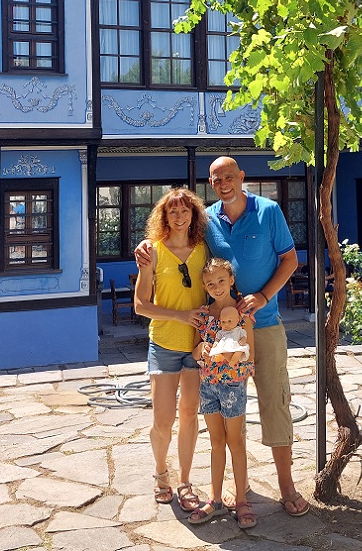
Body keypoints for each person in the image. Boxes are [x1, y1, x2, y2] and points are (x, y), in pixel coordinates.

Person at [136, 156, 308, 517]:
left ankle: (286, 486)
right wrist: (144, 248)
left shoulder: (268, 211)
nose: (224, 183)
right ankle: (237, 487)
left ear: (241, 177)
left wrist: (262, 297)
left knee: (274, 404)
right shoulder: (208, 221)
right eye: (216, 179)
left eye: (230, 176)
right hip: (220, 339)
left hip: (264, 326)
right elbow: (172, 240)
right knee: (230, 415)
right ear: (210, 184)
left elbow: (290, 260)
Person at [132, 187, 209, 513]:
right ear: (164, 216)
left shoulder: (203, 249)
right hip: (163, 344)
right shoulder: (153, 252)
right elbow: (140, 305)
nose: (179, 216)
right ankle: (162, 474)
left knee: (190, 415)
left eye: (184, 211)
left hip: (195, 347)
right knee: (163, 420)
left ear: (193, 215)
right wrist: (179, 315)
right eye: (172, 211)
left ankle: (185, 481)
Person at [186, 258, 257, 528]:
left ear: (231, 281)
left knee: (235, 441)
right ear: (204, 286)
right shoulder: (203, 316)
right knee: (216, 441)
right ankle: (215, 499)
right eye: (210, 283)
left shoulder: (242, 316)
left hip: (233, 386)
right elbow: (195, 352)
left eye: (221, 281)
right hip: (208, 387)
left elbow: (250, 355)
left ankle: (241, 500)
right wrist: (202, 351)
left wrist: (230, 357)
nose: (216, 287)